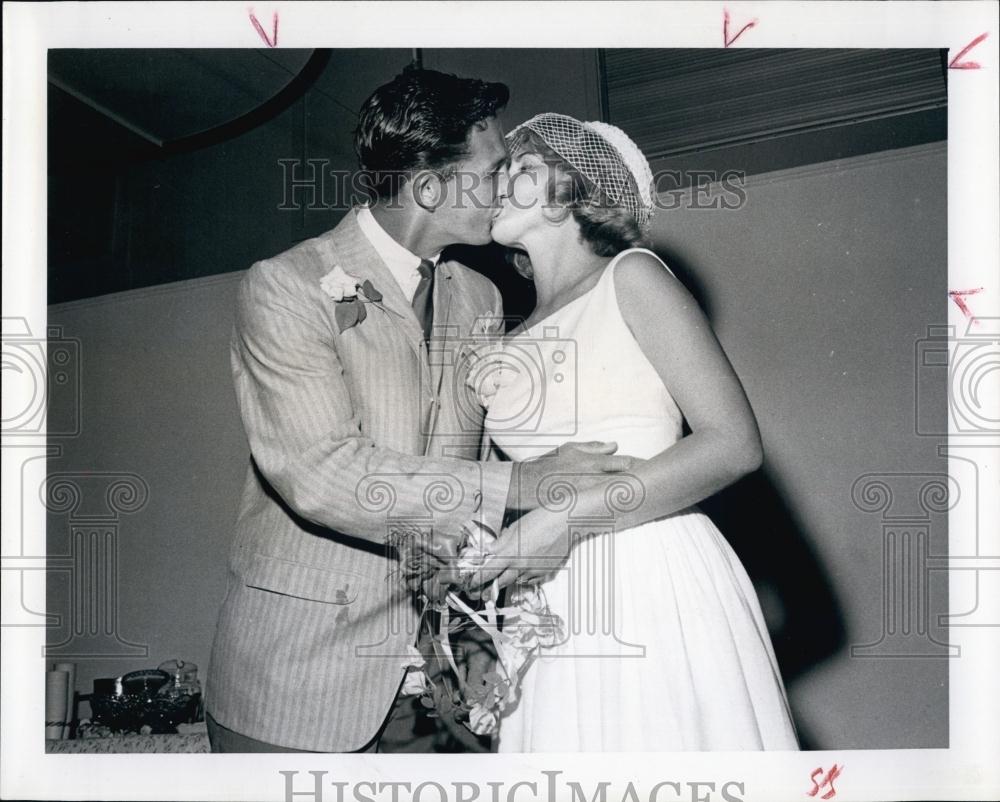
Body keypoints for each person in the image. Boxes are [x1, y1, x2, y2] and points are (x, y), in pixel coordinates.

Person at [205, 75, 632, 753]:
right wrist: (523, 486)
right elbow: (322, 473)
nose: (509, 184)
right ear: (430, 190)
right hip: (295, 684)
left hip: (441, 688)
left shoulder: (483, 297)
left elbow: (476, 459)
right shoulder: (287, 286)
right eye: (494, 172)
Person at [470, 113, 800, 751]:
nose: (496, 185)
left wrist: (565, 520)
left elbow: (734, 443)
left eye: (522, 170)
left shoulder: (633, 276)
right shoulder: (502, 335)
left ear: (572, 189)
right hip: (547, 606)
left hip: (652, 574)